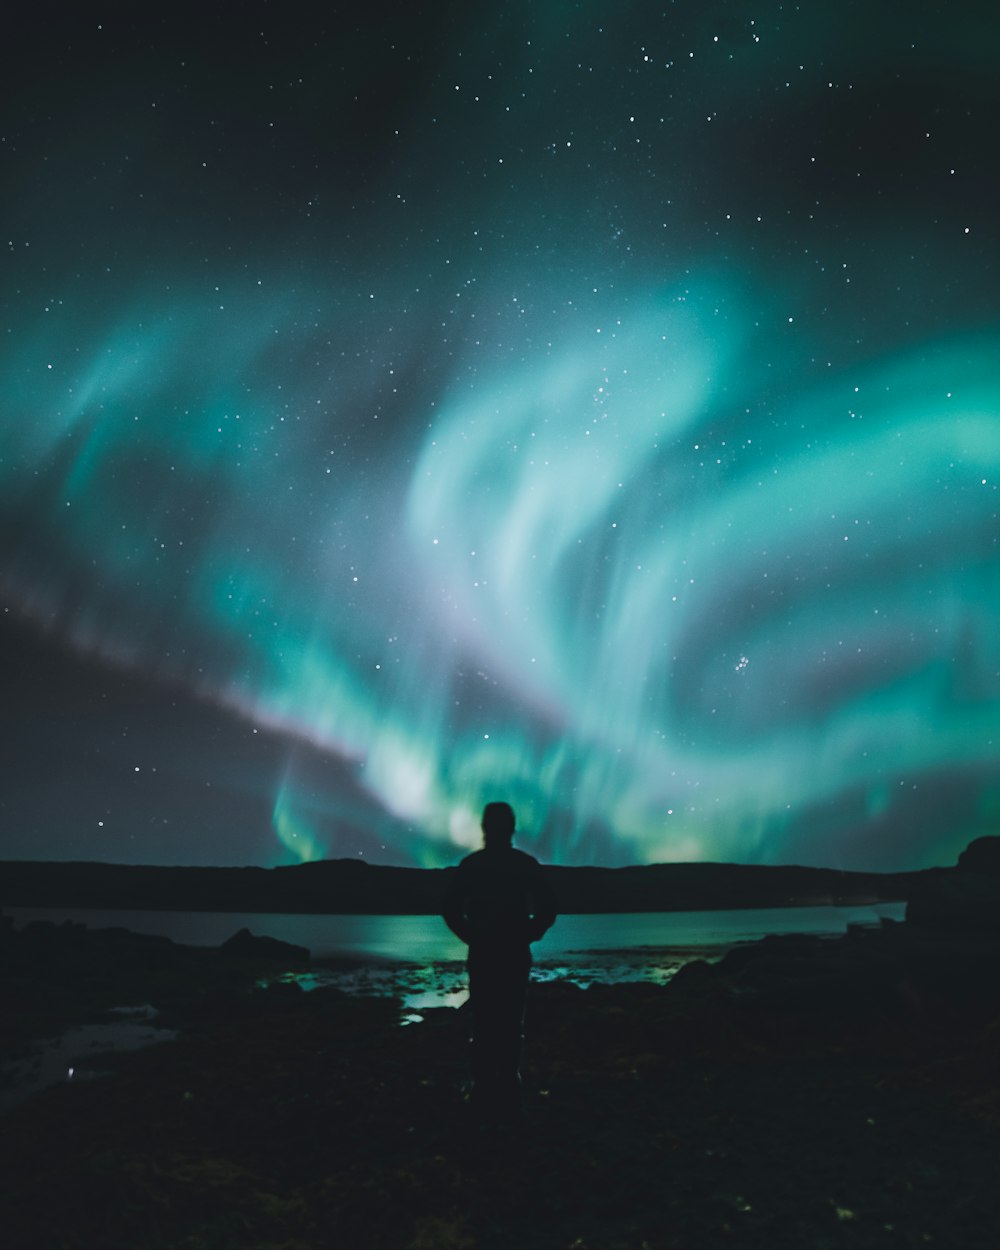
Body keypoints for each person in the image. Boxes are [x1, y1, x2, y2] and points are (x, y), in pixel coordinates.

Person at [442, 801, 557, 1112]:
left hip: (485, 952)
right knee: (509, 1019)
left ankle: (484, 1085)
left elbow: (450, 909)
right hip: (512, 952)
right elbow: (548, 908)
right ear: (511, 828)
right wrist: (529, 933)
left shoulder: (473, 865)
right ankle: (507, 1082)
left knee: (484, 1019)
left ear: (485, 828)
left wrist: (471, 935)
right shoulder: (524, 864)